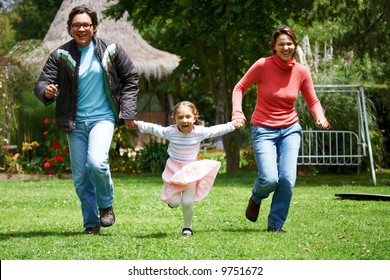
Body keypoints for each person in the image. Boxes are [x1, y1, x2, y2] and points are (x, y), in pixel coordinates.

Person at [34, 5, 139, 235]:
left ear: (94, 27)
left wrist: (127, 110)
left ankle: (105, 205)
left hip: (102, 118)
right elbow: (41, 83)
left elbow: (130, 77)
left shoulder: (111, 50)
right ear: (69, 29)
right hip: (75, 122)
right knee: (81, 176)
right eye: (76, 25)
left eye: (86, 24)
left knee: (96, 163)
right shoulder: (61, 55)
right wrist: (47, 91)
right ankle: (91, 223)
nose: (81, 28)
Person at [231, 25, 330, 233]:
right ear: (274, 47)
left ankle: (275, 225)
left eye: (289, 43)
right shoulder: (262, 65)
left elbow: (312, 101)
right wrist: (237, 112)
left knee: (286, 179)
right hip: (263, 129)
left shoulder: (301, 71)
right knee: (269, 178)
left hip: (290, 129)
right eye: (281, 44)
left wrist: (319, 117)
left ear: (294, 45)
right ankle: (256, 197)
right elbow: (239, 87)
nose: (286, 47)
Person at [133, 101, 242, 236]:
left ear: (195, 118)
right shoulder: (170, 132)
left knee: (187, 201)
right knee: (175, 202)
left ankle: (187, 228)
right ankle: (172, 202)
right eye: (180, 117)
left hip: (191, 171)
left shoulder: (199, 132)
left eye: (188, 117)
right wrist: (137, 124)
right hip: (174, 169)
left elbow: (216, 130)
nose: (184, 120)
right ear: (174, 119)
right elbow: (154, 128)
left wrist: (232, 125)